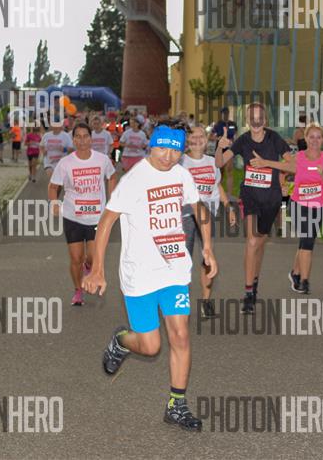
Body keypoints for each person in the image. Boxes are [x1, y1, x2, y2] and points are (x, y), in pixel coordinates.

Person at [83, 125, 217, 432]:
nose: (168, 157)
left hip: (174, 270)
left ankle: (177, 405)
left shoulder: (182, 175)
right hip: (140, 275)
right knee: (151, 346)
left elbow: (199, 208)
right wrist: (98, 269)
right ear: (151, 147)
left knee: (180, 335)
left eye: (175, 151)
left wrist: (208, 247)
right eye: (162, 149)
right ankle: (121, 341)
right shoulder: (134, 180)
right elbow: (106, 222)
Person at [215, 102, 291, 314]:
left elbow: (293, 165)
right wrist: (220, 147)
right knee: (251, 241)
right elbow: (219, 163)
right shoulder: (243, 140)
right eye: (252, 118)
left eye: (260, 118)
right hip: (250, 197)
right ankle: (249, 293)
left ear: (265, 120)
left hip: (271, 199)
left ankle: (254, 281)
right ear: (247, 121)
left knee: (260, 242)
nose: (256, 122)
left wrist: (267, 163)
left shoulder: (274, 138)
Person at [250, 122, 323, 294]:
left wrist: (322, 175)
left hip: (317, 206)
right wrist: (282, 186)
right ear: (305, 138)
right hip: (298, 205)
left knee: (306, 241)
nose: (314, 140)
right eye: (311, 137)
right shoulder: (298, 158)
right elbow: (281, 171)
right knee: (307, 240)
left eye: (318, 137)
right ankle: (304, 281)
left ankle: (295, 273)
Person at [49, 123, 117, 306]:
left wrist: (112, 200)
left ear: (91, 138)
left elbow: (112, 177)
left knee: (92, 258)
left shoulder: (102, 160)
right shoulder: (65, 163)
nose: (82, 140)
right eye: (77, 137)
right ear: (73, 140)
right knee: (75, 258)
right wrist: (54, 203)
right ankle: (78, 290)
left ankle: (89, 266)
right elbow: (53, 187)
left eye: (85, 136)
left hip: (97, 218)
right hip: (73, 217)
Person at [180, 126, 237, 319]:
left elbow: (216, 186)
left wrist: (228, 207)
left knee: (207, 257)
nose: (197, 139)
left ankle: (206, 302)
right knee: (183, 260)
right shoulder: (180, 162)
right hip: (186, 214)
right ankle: (181, 301)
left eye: (201, 136)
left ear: (207, 140)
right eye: (193, 136)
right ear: (187, 140)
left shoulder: (213, 162)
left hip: (207, 215)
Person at [212, 107, 238, 196]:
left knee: (229, 170)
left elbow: (236, 136)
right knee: (220, 172)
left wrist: (234, 143)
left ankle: (229, 194)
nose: (225, 114)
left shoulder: (233, 124)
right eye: (223, 113)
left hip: (229, 149)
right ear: (221, 114)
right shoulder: (218, 124)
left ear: (228, 113)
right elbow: (212, 136)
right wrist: (219, 138)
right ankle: (218, 193)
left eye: (226, 113)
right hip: (220, 149)